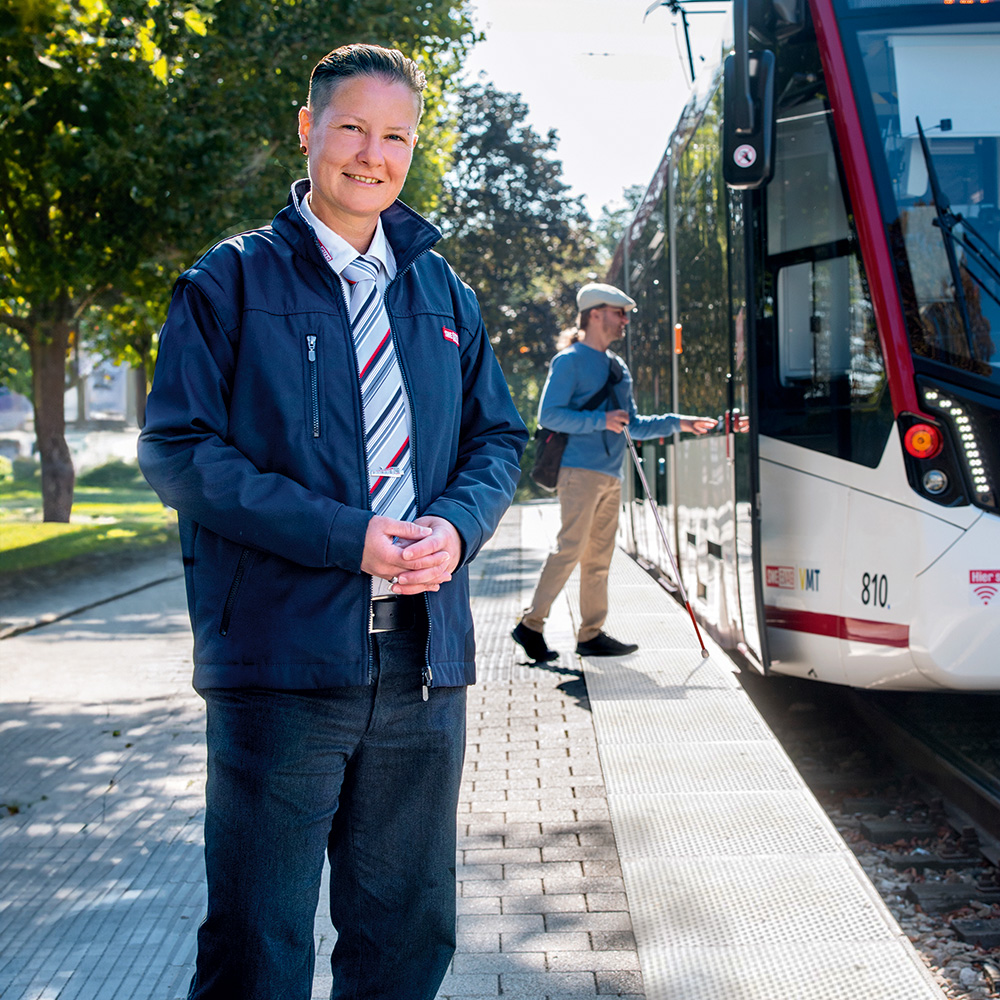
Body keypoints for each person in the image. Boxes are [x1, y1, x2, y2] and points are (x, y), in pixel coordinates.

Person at [138, 43, 527, 1000]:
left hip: (422, 665)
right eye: (351, 126)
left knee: (407, 935)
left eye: (395, 135)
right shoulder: (226, 282)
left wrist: (458, 527)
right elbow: (179, 450)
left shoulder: (444, 293)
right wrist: (343, 535)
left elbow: (499, 439)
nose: (371, 154)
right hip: (281, 665)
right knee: (259, 943)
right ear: (308, 130)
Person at [512, 282, 715, 662]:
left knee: (600, 558)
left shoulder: (617, 367)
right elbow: (550, 416)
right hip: (578, 471)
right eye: (619, 313)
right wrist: (599, 419)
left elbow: (631, 425)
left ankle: (591, 635)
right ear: (595, 314)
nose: (625, 321)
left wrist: (678, 423)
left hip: (612, 474)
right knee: (570, 549)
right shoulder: (569, 361)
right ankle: (531, 625)